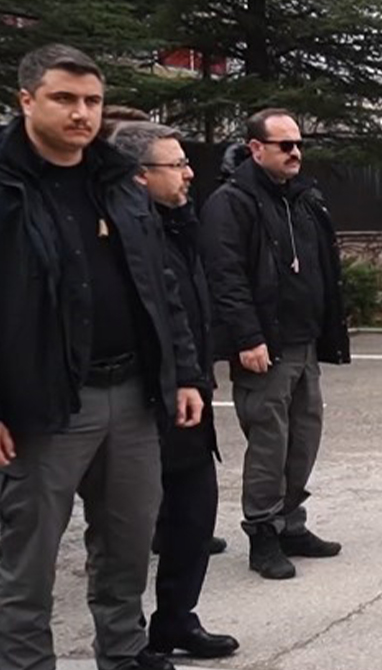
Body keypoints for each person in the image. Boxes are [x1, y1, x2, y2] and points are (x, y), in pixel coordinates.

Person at [0, 43, 204, 670]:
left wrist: (186, 372)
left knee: (126, 546)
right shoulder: (9, 188)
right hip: (43, 406)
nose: (81, 113)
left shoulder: (118, 181)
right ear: (26, 100)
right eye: (64, 98)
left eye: (91, 100)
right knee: (27, 566)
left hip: (134, 397)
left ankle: (123, 654)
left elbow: (161, 287)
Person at [108, 122, 240, 659]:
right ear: (139, 177)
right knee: (129, 527)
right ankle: (127, 634)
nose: (189, 174)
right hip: (137, 401)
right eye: (177, 165)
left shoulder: (181, 226)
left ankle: (176, 619)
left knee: (194, 513)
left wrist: (195, 376)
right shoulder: (117, 232)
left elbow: (188, 312)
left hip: (188, 395)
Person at [202, 108, 351, 580]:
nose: (295, 153)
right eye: (285, 145)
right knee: (270, 443)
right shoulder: (232, 203)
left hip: (304, 342)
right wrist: (247, 337)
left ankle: (291, 522)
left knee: (304, 439)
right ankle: (263, 531)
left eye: (299, 144)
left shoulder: (304, 199)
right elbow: (225, 277)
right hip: (265, 347)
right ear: (255, 148)